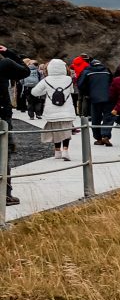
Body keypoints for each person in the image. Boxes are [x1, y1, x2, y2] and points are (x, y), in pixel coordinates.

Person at [0, 45, 30, 205]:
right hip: (2, 117)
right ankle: (5, 194)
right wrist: (8, 52)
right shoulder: (4, 64)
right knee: (3, 154)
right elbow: (25, 71)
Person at [31, 59, 77, 160]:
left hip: (52, 111)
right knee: (66, 131)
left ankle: (57, 152)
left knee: (56, 130)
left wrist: (47, 91)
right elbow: (72, 91)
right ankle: (65, 150)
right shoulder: (68, 79)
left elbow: (34, 92)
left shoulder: (46, 80)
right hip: (67, 110)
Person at [77, 57, 114, 145]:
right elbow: (112, 82)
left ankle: (98, 138)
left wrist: (87, 93)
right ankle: (105, 135)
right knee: (108, 117)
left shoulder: (87, 71)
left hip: (94, 98)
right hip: (108, 97)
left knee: (95, 118)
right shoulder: (107, 71)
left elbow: (80, 85)